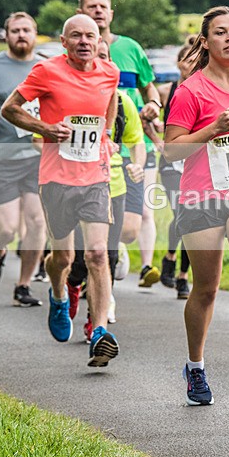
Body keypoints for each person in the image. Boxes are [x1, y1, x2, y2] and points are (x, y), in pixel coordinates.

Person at [163, 6, 229, 406]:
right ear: (206, 42)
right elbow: (171, 148)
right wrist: (211, 130)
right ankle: (195, 368)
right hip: (201, 197)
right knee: (206, 288)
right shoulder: (191, 90)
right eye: (221, 33)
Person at [2, 14, 121, 368]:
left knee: (98, 254)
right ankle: (57, 294)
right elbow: (10, 108)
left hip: (96, 177)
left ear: (100, 41)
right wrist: (46, 128)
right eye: (76, 36)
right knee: (64, 259)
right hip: (56, 179)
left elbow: (110, 100)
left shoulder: (108, 72)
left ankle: (98, 332)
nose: (85, 41)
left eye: (91, 36)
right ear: (64, 41)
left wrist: (107, 136)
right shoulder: (47, 72)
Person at [59, 38, 145, 338]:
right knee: (79, 259)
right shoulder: (68, 95)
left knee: (106, 256)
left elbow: (136, 141)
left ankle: (95, 324)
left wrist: (137, 163)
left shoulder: (124, 102)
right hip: (75, 183)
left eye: (107, 57)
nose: (103, 62)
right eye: (98, 56)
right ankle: (71, 284)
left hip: (114, 186)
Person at [77, 0, 162, 288]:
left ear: (112, 13)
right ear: (80, 14)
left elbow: (149, 86)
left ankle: (119, 247)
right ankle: (98, 271)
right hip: (94, 149)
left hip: (136, 141)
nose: (98, 11)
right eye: (91, 6)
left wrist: (154, 104)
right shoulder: (75, 53)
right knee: (96, 219)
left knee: (131, 225)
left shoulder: (131, 48)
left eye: (103, 6)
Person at [0, 12, 47, 307]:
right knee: (6, 228)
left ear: (35, 33)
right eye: (15, 30)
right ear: (6, 34)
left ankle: (23, 285)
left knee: (36, 222)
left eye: (26, 30)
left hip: (36, 156)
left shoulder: (45, 67)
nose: (21, 35)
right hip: (0, 155)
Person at [156, 42, 195, 300]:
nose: (191, 64)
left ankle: (182, 276)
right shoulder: (165, 91)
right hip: (171, 163)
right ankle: (170, 255)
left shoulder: (202, 92)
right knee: (182, 211)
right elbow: (146, 118)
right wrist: (158, 138)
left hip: (194, 162)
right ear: (179, 62)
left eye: (196, 60)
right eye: (187, 59)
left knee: (191, 218)